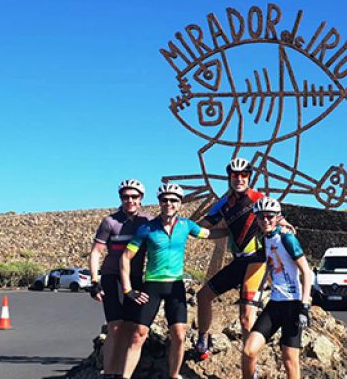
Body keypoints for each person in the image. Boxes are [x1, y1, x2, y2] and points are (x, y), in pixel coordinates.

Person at [120, 183, 224, 379]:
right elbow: (126, 257)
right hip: (152, 284)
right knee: (138, 334)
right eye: (165, 200)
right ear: (160, 202)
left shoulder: (186, 226)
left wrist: (234, 233)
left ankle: (174, 375)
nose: (169, 203)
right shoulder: (147, 228)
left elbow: (208, 234)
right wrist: (128, 289)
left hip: (175, 285)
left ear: (180, 204)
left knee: (179, 334)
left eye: (173, 200)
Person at [194, 157, 293, 360]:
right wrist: (184, 227)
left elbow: (278, 217)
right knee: (203, 296)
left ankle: (251, 368)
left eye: (244, 175)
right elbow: (203, 225)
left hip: (257, 260)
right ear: (229, 177)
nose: (239, 178)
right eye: (234, 175)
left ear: (249, 177)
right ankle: (203, 341)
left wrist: (285, 225)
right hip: (238, 261)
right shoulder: (224, 203)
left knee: (246, 317)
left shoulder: (258, 198)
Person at [87, 179, 153, 379]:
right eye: (126, 197)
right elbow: (96, 252)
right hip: (111, 276)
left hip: (135, 278)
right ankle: (109, 373)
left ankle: (122, 374)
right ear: (121, 199)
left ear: (141, 199)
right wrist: (94, 281)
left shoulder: (147, 222)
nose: (130, 200)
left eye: (134, 197)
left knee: (130, 327)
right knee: (115, 327)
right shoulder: (110, 221)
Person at [241, 197, 313, 379]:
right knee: (249, 351)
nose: (265, 220)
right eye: (261, 217)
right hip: (274, 304)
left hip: (293, 305)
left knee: (290, 360)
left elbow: (307, 271)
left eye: (269, 217)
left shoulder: (286, 238)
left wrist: (304, 306)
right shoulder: (263, 239)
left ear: (277, 217)